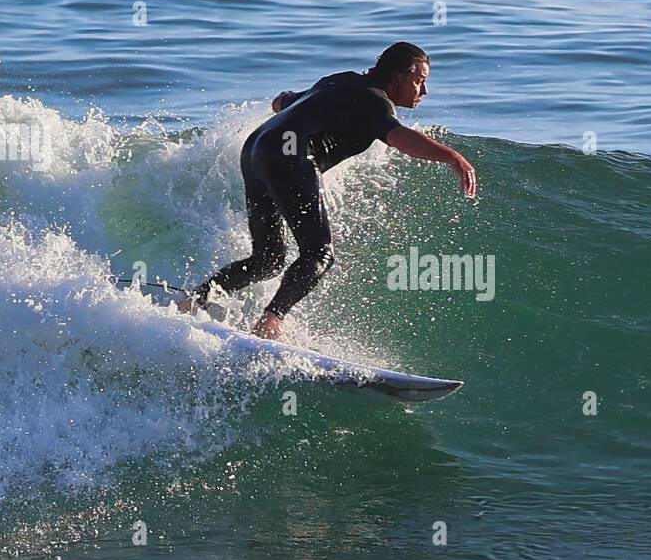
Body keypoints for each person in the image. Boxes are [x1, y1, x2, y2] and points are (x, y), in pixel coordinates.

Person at [178, 42, 478, 341]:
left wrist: (288, 104)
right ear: (397, 78)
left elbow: (283, 102)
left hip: (257, 150)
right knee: (319, 253)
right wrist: (453, 157)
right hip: (288, 156)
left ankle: (192, 302)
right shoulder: (375, 101)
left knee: (268, 259)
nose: (423, 91)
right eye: (419, 81)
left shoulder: (341, 81)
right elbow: (399, 136)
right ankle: (270, 322)